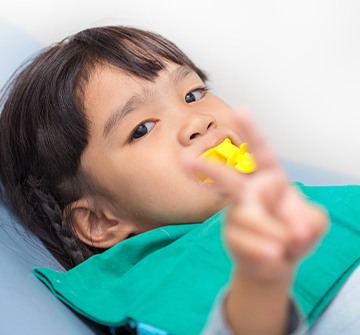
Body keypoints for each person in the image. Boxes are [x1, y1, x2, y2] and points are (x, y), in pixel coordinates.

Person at [0, 25, 327, 335]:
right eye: (142, 129)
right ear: (100, 220)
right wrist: (260, 287)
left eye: (193, 95)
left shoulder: (305, 204)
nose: (198, 121)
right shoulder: (166, 283)